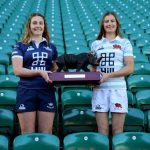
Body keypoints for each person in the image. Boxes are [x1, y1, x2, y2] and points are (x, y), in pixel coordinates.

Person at [12, 13, 58, 134]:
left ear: (44, 26)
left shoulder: (51, 47)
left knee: (46, 132)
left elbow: (54, 70)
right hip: (26, 91)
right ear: (29, 26)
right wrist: (39, 71)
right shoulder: (20, 46)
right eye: (34, 23)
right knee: (27, 132)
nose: (38, 26)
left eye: (40, 23)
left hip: (46, 91)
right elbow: (17, 70)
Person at [90, 12, 134, 135]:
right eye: (107, 21)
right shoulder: (95, 44)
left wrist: (108, 75)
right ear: (102, 25)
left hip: (118, 90)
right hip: (100, 90)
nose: (109, 24)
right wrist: (93, 70)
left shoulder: (124, 43)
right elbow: (92, 70)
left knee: (118, 131)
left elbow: (130, 68)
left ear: (117, 23)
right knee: (102, 131)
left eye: (112, 21)